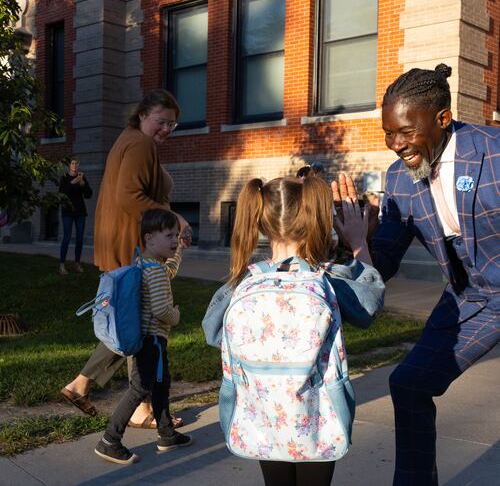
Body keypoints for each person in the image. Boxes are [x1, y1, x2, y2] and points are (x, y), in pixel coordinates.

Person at [332, 63, 500, 486]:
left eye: (406, 131)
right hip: (472, 299)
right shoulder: (400, 180)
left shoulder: (493, 152)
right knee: (408, 384)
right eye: (388, 133)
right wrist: (354, 241)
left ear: (442, 119)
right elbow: (383, 259)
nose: (395, 144)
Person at [202, 176, 385, 486]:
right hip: (316, 418)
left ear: (260, 221)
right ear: (314, 220)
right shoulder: (327, 280)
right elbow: (370, 301)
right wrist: (358, 243)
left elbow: (213, 332)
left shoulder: (242, 284)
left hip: (262, 416)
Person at [61, 89, 190, 428]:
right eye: (161, 121)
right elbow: (130, 196)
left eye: (172, 125)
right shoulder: (139, 144)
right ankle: (140, 408)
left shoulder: (132, 140)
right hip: (131, 246)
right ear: (143, 113)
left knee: (130, 323)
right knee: (141, 326)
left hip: (122, 244)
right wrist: (172, 219)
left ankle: (82, 384)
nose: (165, 129)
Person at [95, 208, 192, 465]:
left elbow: (167, 270)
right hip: (153, 342)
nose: (175, 240)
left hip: (147, 340)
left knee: (161, 385)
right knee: (139, 388)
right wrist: (176, 315)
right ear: (149, 239)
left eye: (176, 236)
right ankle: (109, 441)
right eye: (170, 236)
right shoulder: (156, 272)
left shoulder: (144, 264)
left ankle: (166, 434)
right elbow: (161, 310)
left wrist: (178, 250)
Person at [58, 156, 92, 274]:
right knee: (66, 238)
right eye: (72, 163)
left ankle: (77, 263)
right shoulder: (64, 178)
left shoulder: (81, 177)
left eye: (76, 163)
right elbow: (62, 193)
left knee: (79, 239)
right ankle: (62, 265)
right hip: (67, 212)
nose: (75, 166)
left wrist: (82, 183)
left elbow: (88, 194)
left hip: (80, 212)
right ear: (69, 165)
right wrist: (73, 182)